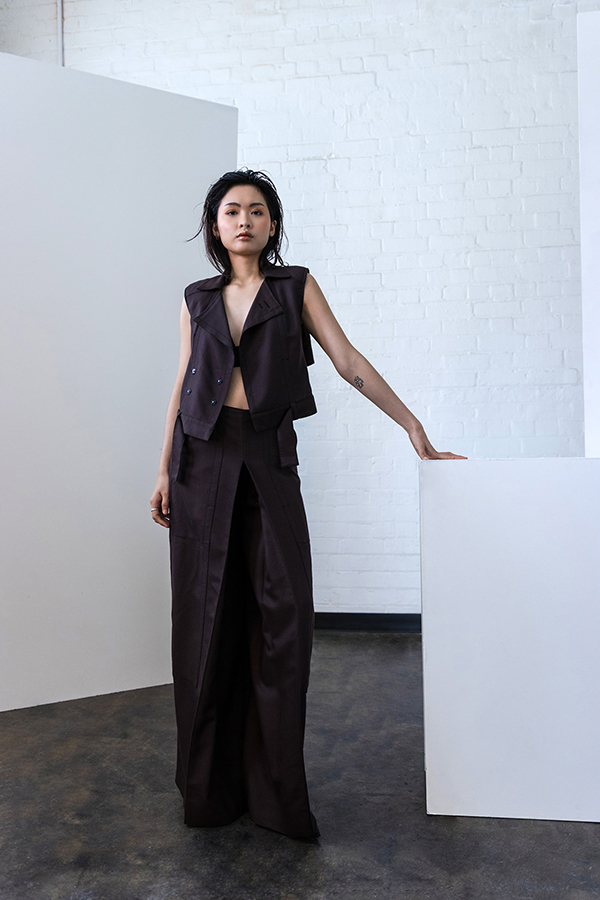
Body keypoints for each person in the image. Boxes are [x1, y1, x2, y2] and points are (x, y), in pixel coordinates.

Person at [150, 168, 466, 842]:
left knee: (283, 618)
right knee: (204, 625)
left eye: (257, 211)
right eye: (232, 211)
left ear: (272, 225)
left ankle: (277, 797)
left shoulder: (294, 288)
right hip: (200, 465)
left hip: (266, 458)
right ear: (214, 225)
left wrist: (412, 426)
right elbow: (182, 384)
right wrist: (161, 471)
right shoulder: (196, 298)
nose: (245, 220)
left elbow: (348, 359)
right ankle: (208, 792)